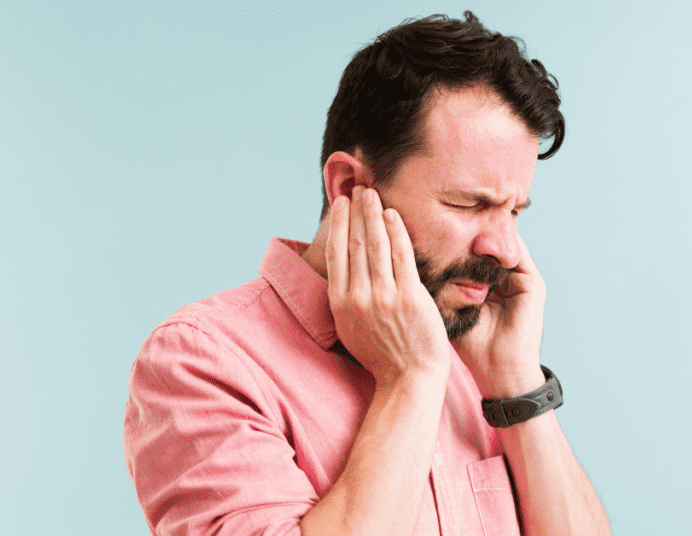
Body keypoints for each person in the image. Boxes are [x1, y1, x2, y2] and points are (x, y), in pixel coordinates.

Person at [124, 11, 610, 536]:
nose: (506, 250)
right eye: (469, 204)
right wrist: (410, 380)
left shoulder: (475, 352)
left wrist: (516, 385)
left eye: (514, 211)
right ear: (350, 188)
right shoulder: (201, 363)